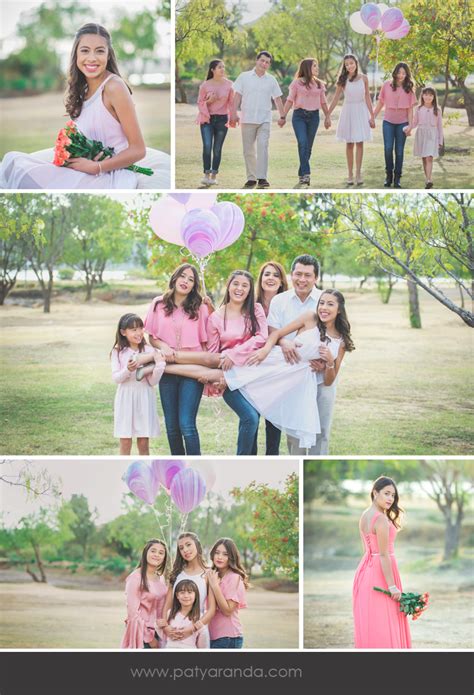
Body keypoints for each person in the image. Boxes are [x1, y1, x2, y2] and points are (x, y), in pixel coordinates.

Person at [164, 290, 354, 450]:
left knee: (212, 375)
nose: (324, 308)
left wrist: (329, 361)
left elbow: (329, 380)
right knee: (217, 366)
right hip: (272, 362)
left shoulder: (341, 341)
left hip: (287, 380)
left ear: (339, 310)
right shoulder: (310, 318)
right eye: (321, 303)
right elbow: (277, 333)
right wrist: (265, 351)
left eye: (330, 304)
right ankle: (164, 361)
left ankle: (164, 366)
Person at [1, 23, 152, 189]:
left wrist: (97, 166)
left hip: (108, 173)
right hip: (86, 166)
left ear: (108, 55)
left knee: (20, 172)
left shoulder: (114, 87)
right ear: (76, 55)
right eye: (85, 50)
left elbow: (138, 149)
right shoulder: (83, 89)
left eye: (100, 51)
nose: (92, 58)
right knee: (12, 161)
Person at [165, 270, 268, 455]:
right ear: (228, 286)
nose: (239, 289)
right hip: (228, 376)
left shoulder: (256, 310)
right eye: (236, 284)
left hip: (254, 375)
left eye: (245, 285)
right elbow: (212, 353)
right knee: (250, 418)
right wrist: (215, 378)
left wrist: (233, 354)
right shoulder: (216, 318)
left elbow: (262, 337)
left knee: (254, 421)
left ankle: (250, 462)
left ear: (250, 289)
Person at [142, 264, 211, 455]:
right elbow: (152, 336)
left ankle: (195, 466)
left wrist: (207, 372)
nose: (185, 281)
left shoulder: (201, 307)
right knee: (172, 427)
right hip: (168, 370)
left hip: (192, 369)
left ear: (194, 285)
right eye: (182, 276)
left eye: (191, 279)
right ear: (174, 278)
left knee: (186, 424)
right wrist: (164, 347)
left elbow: (208, 339)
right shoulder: (158, 304)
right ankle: (180, 466)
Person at [353, 477, 411, 649]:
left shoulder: (364, 516)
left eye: (393, 495)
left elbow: (367, 550)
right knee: (386, 621)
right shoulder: (380, 519)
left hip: (365, 571)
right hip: (382, 572)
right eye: (386, 493)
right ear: (375, 492)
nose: (390, 499)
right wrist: (392, 586)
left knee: (372, 621)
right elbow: (383, 554)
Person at [111, 313, 165, 455]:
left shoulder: (149, 351)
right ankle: (124, 471)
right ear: (123, 332)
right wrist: (127, 370)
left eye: (140, 328)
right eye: (134, 329)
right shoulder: (118, 352)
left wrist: (159, 366)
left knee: (143, 441)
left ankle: (144, 473)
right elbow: (116, 378)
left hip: (144, 397)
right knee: (125, 440)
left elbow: (152, 381)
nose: (139, 332)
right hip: (126, 397)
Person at [231, 51, 285, 189]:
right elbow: (236, 97)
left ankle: (262, 178)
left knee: (263, 147)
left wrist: (282, 115)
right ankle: (251, 178)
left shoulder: (271, 80)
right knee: (248, 150)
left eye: (267, 62)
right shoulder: (244, 77)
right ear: (257, 61)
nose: (264, 64)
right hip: (247, 118)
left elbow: (277, 99)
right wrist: (233, 113)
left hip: (264, 119)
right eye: (262, 60)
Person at [280, 58, 331, 188]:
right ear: (307, 68)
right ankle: (306, 174)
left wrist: (327, 117)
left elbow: (324, 102)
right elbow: (290, 100)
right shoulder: (296, 83)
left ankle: (301, 172)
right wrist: (283, 116)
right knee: (302, 142)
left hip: (314, 117)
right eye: (314, 66)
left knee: (308, 148)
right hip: (299, 117)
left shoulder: (319, 84)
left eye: (317, 66)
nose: (317, 68)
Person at [325, 54, 375, 186]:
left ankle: (358, 174)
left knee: (359, 143)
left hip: (361, 110)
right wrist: (328, 114)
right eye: (347, 64)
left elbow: (367, 97)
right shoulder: (343, 79)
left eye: (351, 63)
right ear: (345, 66)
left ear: (356, 63)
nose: (349, 66)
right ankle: (350, 174)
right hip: (348, 111)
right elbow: (336, 98)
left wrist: (372, 115)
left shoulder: (364, 78)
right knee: (349, 144)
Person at [161, 532, 216, 648]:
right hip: (173, 631)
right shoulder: (176, 573)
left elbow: (211, 609)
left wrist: (192, 628)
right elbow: (167, 605)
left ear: (197, 545)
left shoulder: (208, 573)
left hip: (196, 632)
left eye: (188, 545)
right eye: (181, 548)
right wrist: (166, 627)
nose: (185, 550)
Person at [256, 261, 289, 454]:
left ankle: (272, 456)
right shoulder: (251, 304)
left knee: (274, 420)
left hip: (278, 368)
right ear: (260, 279)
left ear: (282, 281)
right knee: (251, 419)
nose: (270, 278)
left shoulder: (287, 305)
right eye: (266, 274)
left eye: (276, 275)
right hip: (254, 366)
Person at [373, 62, 417, 188]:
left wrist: (410, 126)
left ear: (407, 74)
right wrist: (373, 116)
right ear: (395, 73)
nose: (401, 75)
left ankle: (397, 178)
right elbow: (381, 103)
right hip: (388, 122)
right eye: (399, 72)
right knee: (387, 148)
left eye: (404, 73)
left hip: (402, 123)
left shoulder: (409, 87)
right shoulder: (387, 85)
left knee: (399, 151)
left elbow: (410, 109)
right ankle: (388, 175)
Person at [121, 539, 169, 649]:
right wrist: (150, 639)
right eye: (153, 551)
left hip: (160, 634)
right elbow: (133, 614)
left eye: (161, 553)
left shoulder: (161, 578)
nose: (157, 555)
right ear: (145, 552)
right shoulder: (135, 578)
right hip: (142, 637)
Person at [196, 60, 234, 186]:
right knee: (207, 146)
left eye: (223, 67)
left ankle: (213, 176)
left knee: (217, 149)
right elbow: (199, 103)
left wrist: (234, 116)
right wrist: (208, 101)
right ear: (212, 70)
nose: (222, 69)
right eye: (219, 67)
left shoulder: (229, 85)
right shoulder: (205, 85)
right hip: (207, 120)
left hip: (222, 120)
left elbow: (231, 103)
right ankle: (206, 175)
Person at [208, 538, 248, 649]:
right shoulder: (213, 575)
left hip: (228, 638)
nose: (220, 557)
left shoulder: (234, 578)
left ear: (231, 557)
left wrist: (215, 586)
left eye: (225, 554)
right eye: (217, 553)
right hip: (212, 636)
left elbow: (227, 610)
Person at [404, 87, 444, 189]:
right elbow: (415, 122)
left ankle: (429, 179)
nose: (428, 97)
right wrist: (408, 128)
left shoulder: (437, 110)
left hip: (432, 135)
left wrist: (440, 141)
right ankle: (427, 179)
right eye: (426, 94)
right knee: (424, 158)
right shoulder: (418, 109)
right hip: (421, 134)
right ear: (422, 95)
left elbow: (440, 126)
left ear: (434, 97)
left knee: (429, 157)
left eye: (430, 95)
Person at [162, 580, 208, 649]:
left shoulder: (200, 616)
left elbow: (203, 644)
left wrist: (201, 629)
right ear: (177, 595)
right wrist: (160, 626)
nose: (186, 596)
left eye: (190, 592)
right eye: (182, 592)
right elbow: (163, 635)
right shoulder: (170, 613)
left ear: (196, 595)